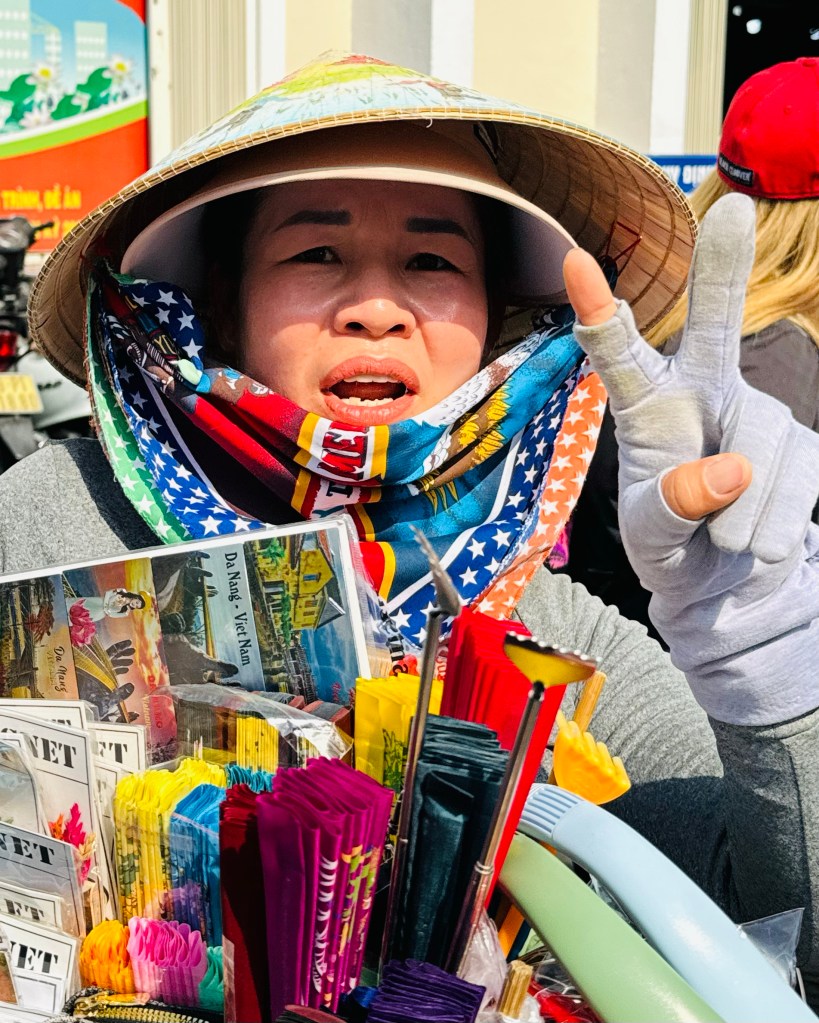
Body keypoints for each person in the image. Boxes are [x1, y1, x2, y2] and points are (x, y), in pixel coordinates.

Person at [3, 52, 818, 1003]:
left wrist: (761, 664)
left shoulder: (551, 642)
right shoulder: (58, 520)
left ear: (493, 317)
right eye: (315, 253)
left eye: (432, 261)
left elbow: (768, 919)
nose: (377, 309)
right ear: (224, 297)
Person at [564, 56, 819, 639]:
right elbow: (727, 583)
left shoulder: (655, 296)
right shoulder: (772, 350)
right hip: (678, 671)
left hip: (611, 642)